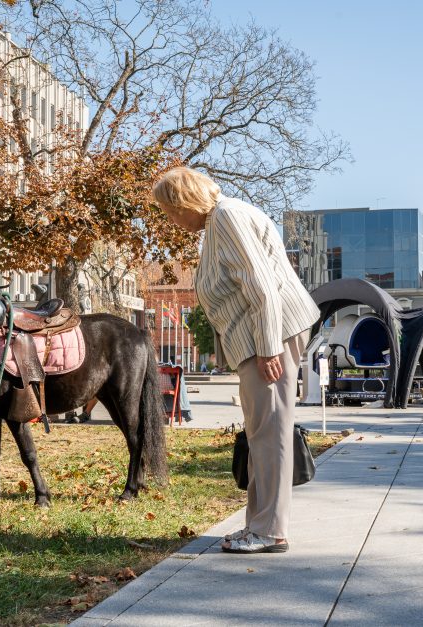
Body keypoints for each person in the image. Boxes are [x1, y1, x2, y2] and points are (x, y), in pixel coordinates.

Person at [153, 167, 320, 554]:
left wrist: (266, 346)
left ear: (186, 201)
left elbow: (261, 285)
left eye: (170, 210)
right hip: (263, 336)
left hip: (271, 335)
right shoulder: (221, 220)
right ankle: (260, 526)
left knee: (270, 430)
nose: (171, 220)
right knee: (262, 431)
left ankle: (270, 531)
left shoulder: (227, 217)